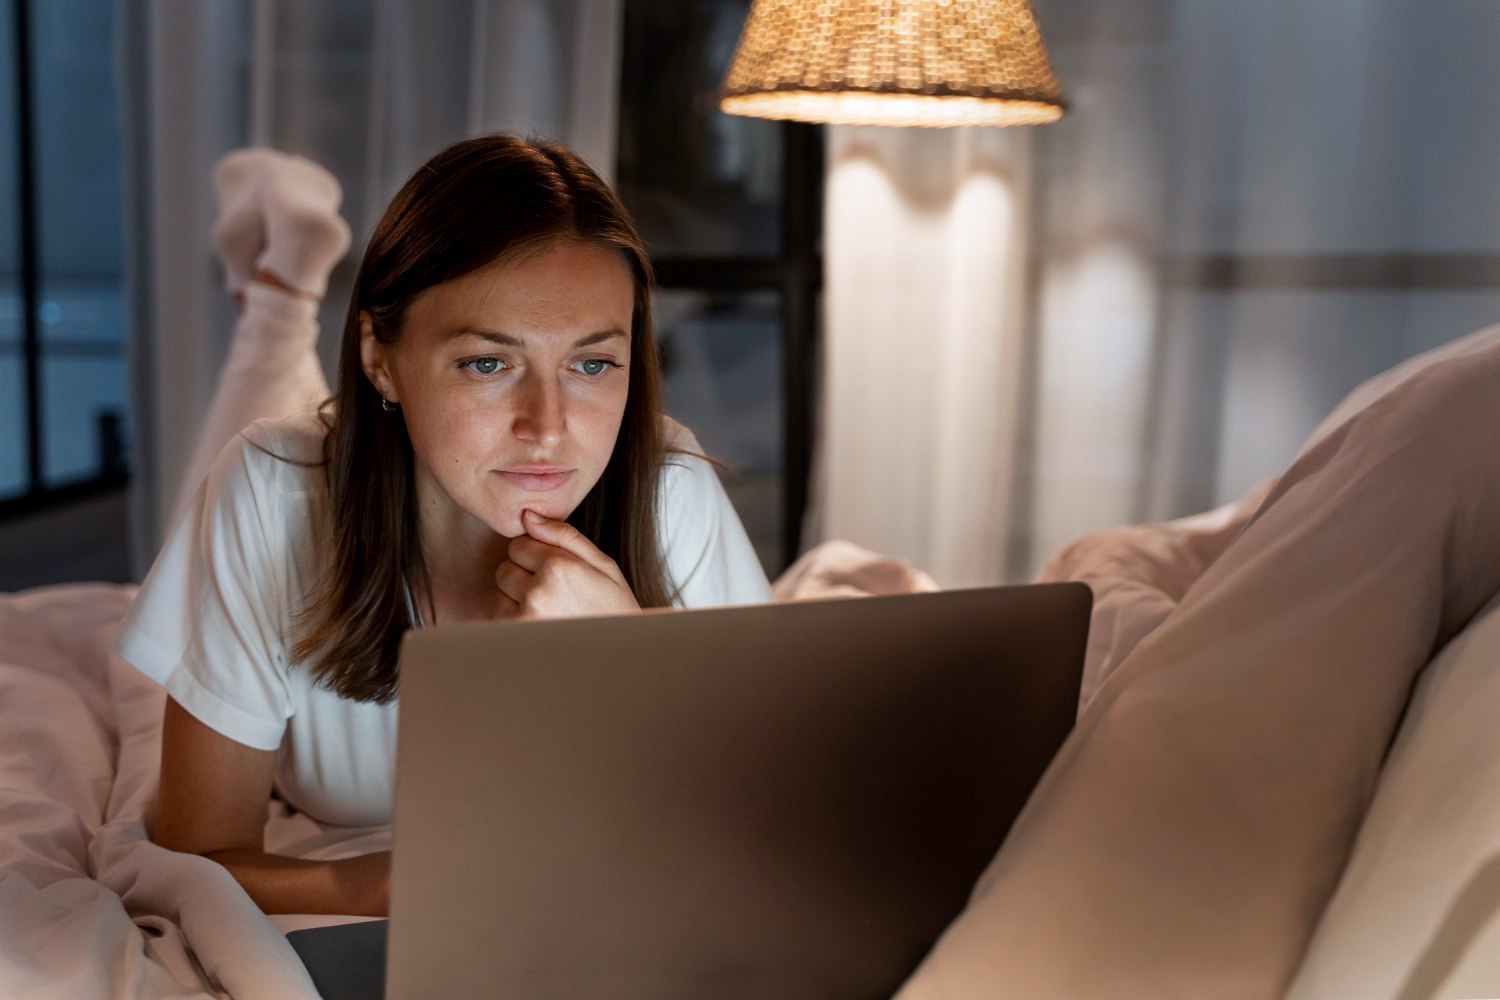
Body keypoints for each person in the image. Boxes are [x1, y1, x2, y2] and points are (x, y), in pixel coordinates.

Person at [117, 135, 771, 918]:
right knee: (269, 439)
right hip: (335, 469)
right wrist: (385, 884)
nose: (549, 429)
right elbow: (198, 854)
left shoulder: (671, 491)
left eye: (592, 364)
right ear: (379, 357)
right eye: (487, 364)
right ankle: (280, 296)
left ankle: (283, 294)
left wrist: (625, 663)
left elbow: (755, 826)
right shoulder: (271, 492)